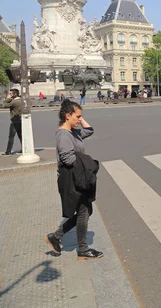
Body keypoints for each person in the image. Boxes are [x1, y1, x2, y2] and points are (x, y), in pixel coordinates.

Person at [44, 100, 103, 260]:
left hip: (78, 177)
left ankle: (55, 236)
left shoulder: (74, 131)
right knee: (84, 212)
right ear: (67, 115)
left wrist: (80, 119)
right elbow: (69, 160)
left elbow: (89, 130)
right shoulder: (63, 135)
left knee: (85, 211)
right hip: (72, 179)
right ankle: (82, 249)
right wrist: (88, 163)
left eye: (80, 117)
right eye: (77, 116)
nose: (79, 120)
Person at [1, 89, 22, 156]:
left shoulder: (14, 102)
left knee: (11, 137)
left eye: (10, 94)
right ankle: (24, 149)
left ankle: (8, 151)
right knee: (20, 136)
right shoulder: (21, 100)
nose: (9, 95)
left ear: (14, 94)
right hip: (21, 120)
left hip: (14, 121)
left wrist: (7, 99)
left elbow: (4, 105)